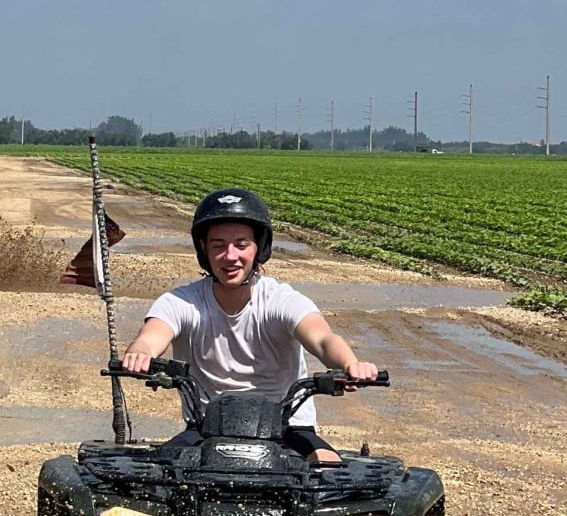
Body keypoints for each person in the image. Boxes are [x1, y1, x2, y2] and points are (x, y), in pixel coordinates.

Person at [119, 188, 379, 462]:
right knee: (163, 471)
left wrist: (349, 364)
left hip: (287, 426)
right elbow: (152, 335)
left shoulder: (280, 300)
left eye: (241, 245)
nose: (230, 256)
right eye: (218, 245)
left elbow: (323, 339)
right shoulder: (182, 301)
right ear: (203, 249)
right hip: (207, 427)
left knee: (329, 467)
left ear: (259, 249)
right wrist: (142, 353)